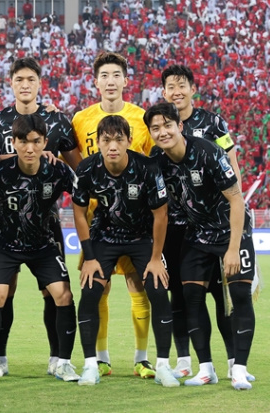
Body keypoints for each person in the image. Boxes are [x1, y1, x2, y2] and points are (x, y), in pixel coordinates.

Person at [144, 102, 256, 390]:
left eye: (167, 125)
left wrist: (233, 249)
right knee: (191, 295)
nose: (162, 132)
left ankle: (239, 369)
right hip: (197, 234)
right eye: (155, 128)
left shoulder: (208, 152)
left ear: (180, 126)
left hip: (231, 230)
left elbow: (236, 199)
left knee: (239, 294)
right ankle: (206, 369)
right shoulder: (157, 159)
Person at [0, 56, 82, 376]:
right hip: (8, 226)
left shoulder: (57, 120)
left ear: (40, 83)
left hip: (46, 226)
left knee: (54, 293)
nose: (25, 85)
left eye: (31, 80)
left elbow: (79, 169)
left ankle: (58, 359)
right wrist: (15, 157)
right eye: (19, 80)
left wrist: (53, 161)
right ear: (10, 83)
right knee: (4, 291)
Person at [72, 114, 178, 387]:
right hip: (104, 236)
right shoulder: (87, 168)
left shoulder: (147, 167)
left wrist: (156, 258)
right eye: (106, 140)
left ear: (129, 141)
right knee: (90, 291)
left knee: (158, 289)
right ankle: (91, 365)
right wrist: (89, 257)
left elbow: (161, 215)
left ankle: (163, 365)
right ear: (98, 142)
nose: (113, 146)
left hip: (141, 236)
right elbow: (79, 213)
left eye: (119, 139)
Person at [71, 51, 155, 378]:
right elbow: (74, 160)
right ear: (96, 82)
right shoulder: (81, 119)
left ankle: (142, 359)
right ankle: (101, 358)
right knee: (99, 287)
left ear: (125, 80)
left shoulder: (141, 118)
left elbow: (152, 164)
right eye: (104, 75)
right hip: (97, 221)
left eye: (116, 75)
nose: (110, 81)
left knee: (139, 286)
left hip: (136, 222)